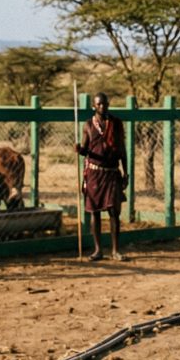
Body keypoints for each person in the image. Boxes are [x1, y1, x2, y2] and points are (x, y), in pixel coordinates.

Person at [75, 92, 127, 261]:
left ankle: (115, 250)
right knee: (94, 212)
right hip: (94, 173)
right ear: (94, 106)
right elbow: (85, 149)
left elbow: (122, 149)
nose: (102, 107)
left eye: (104, 103)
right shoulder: (88, 125)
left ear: (108, 104)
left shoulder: (116, 124)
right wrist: (79, 150)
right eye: (99, 104)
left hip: (112, 172)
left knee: (114, 212)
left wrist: (126, 172)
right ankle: (98, 250)